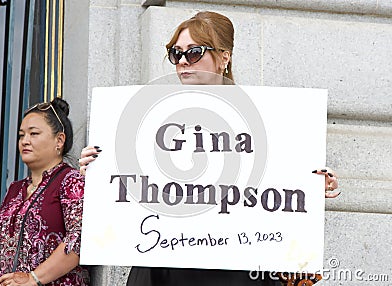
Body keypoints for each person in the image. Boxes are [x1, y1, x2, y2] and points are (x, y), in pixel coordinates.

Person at [79, 11, 339, 286]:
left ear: (224, 57)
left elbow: (278, 194)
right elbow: (134, 189)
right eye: (175, 53)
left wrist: (311, 184)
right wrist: (99, 172)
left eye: (194, 52)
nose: (181, 62)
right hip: (167, 267)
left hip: (235, 269)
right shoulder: (153, 117)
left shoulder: (266, 119)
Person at [0, 98, 90, 285]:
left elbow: (79, 239)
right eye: (21, 135)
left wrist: (33, 278)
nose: (25, 141)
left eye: (34, 133)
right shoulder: (14, 189)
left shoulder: (71, 181)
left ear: (59, 140)